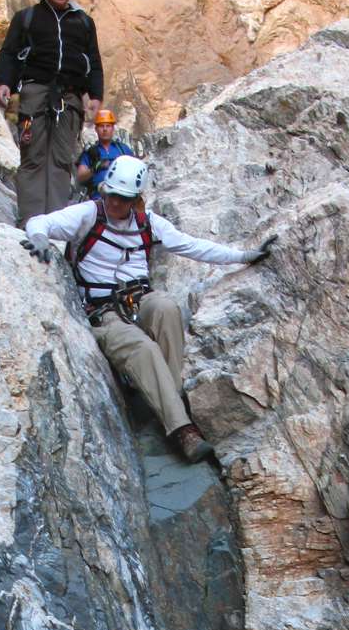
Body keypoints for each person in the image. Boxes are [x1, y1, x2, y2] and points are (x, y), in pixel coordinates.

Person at [22, 156, 276, 462]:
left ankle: (171, 400)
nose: (114, 203)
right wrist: (39, 237)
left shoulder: (148, 223)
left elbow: (194, 246)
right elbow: (40, 222)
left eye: (122, 198)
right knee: (142, 348)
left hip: (138, 299)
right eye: (111, 195)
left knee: (167, 308)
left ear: (135, 200)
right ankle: (182, 430)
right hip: (102, 311)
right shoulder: (89, 214)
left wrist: (244, 256)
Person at [0, 0, 104, 223]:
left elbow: (94, 61)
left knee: (61, 161)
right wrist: (4, 82)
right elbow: (9, 54)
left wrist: (95, 95)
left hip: (70, 98)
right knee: (33, 157)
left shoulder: (84, 23)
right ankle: (32, 223)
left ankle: (54, 224)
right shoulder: (27, 18)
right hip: (34, 95)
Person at [76, 110, 136, 196]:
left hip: (121, 197)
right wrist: (95, 168)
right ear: (96, 129)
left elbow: (135, 171)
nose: (105, 129)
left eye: (108, 126)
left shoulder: (123, 149)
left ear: (113, 128)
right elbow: (80, 177)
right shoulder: (90, 153)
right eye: (101, 126)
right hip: (98, 198)